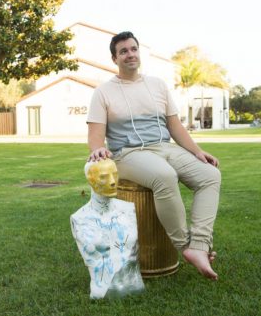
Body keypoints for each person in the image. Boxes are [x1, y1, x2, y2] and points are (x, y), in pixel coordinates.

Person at [87, 31, 221, 280]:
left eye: (133, 49)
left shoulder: (157, 85)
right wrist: (97, 149)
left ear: (139, 52)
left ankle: (200, 246)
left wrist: (197, 151)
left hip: (165, 147)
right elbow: (95, 135)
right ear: (114, 58)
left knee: (210, 175)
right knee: (164, 176)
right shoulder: (103, 92)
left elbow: (175, 126)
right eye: (123, 51)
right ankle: (185, 245)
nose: (130, 54)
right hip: (128, 153)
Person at [70, 158, 144, 299]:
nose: (112, 181)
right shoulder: (79, 218)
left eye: (115, 174)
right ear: (90, 180)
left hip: (135, 285)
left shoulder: (128, 209)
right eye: (103, 177)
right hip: (103, 292)